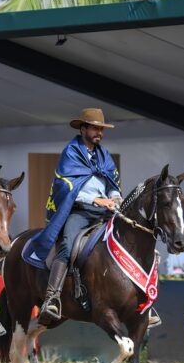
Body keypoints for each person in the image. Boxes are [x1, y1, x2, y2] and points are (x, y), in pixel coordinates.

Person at [26, 108, 121, 324]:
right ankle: (52, 297)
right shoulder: (70, 152)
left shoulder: (104, 155)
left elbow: (112, 183)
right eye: (96, 128)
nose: (100, 133)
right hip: (79, 211)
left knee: (126, 241)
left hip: (105, 211)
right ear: (83, 128)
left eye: (101, 129)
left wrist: (115, 197)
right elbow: (67, 187)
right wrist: (96, 200)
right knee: (67, 245)